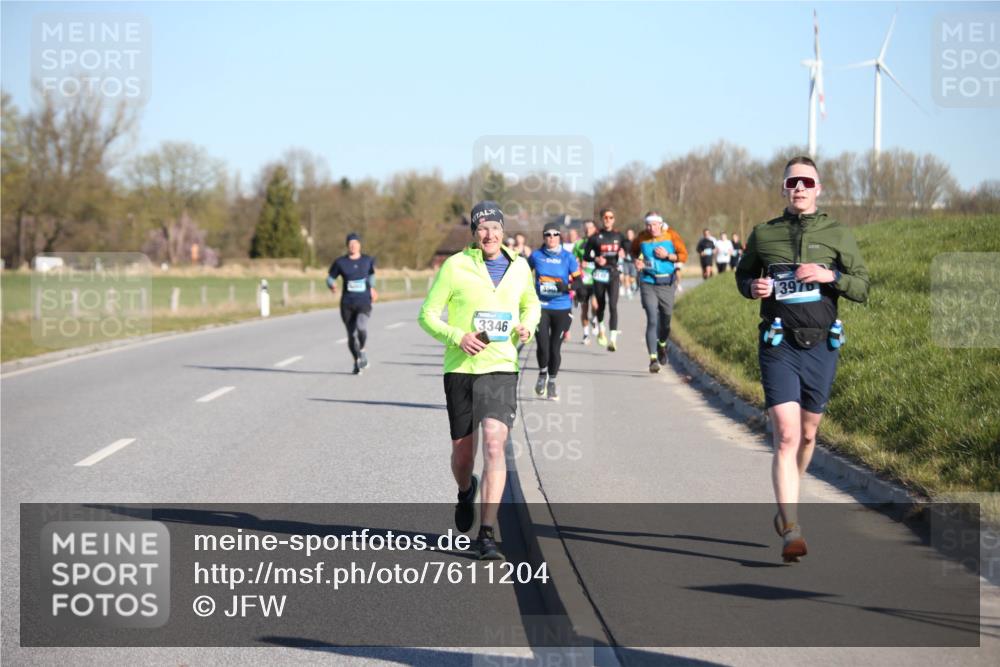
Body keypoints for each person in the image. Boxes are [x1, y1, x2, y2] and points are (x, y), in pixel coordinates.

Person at [735, 156, 869, 563]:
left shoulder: (837, 233)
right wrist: (753, 287)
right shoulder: (764, 234)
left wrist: (831, 277)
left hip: (822, 346)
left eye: (806, 181)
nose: (799, 187)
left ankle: (788, 497)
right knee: (786, 434)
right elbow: (743, 277)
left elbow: (862, 286)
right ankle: (791, 526)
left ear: (818, 187)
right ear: (783, 188)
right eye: (792, 181)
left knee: (809, 435)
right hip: (778, 343)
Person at [418, 201, 541, 561]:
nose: (489, 235)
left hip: (501, 365)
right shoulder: (455, 266)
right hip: (461, 368)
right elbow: (427, 315)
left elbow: (530, 305)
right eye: (482, 229)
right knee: (462, 455)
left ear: (503, 232)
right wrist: (458, 336)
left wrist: (527, 326)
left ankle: (486, 533)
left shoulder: (519, 267)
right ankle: (464, 489)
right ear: (474, 233)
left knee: (493, 444)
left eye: (495, 228)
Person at [528, 222, 581, 401]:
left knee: (554, 347)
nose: (551, 238)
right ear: (543, 237)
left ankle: (552, 382)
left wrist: (569, 287)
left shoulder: (568, 257)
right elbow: (523, 275)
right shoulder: (535, 256)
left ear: (560, 237)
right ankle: (542, 374)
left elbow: (579, 280)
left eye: (555, 234)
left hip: (562, 308)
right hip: (541, 307)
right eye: (548, 234)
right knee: (543, 346)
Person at [632, 212, 687, 373]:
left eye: (655, 224)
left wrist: (668, 256)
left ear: (661, 224)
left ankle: (662, 344)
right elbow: (634, 251)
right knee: (652, 318)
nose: (652, 228)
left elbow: (683, 256)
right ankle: (653, 359)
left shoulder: (671, 235)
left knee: (666, 320)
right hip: (648, 282)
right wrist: (638, 261)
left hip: (667, 283)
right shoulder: (642, 237)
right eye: (648, 225)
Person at [327, 233, 378, 374]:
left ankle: (362, 350)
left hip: (364, 301)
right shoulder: (340, 263)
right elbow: (330, 278)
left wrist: (373, 288)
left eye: (355, 243)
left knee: (361, 327)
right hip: (347, 304)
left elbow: (372, 275)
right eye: (350, 243)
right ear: (347, 246)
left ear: (359, 245)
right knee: (351, 335)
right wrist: (332, 285)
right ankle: (356, 361)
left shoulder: (367, 260)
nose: (353, 246)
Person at [584, 208, 627, 351]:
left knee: (613, 306)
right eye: (605, 217)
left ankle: (613, 340)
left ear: (614, 219)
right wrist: (596, 258)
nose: (608, 219)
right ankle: (601, 329)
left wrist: (624, 252)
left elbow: (630, 248)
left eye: (610, 217)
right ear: (602, 220)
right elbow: (585, 256)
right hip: (599, 275)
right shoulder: (595, 237)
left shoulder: (619, 235)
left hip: (613, 273)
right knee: (600, 306)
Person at [572, 220, 599, 345]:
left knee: (595, 305)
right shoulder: (579, 244)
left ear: (595, 229)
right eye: (586, 228)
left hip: (596, 278)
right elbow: (572, 261)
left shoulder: (599, 241)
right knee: (584, 308)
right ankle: (586, 333)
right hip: (583, 280)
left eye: (590, 228)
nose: (588, 230)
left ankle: (594, 318)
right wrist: (578, 263)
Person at [621, 228, 638, 299]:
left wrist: (639, 259)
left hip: (634, 262)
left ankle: (633, 284)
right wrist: (622, 254)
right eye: (628, 234)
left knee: (632, 278)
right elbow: (620, 249)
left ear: (633, 234)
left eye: (630, 234)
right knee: (626, 276)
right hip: (625, 261)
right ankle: (628, 291)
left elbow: (641, 252)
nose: (629, 235)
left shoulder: (637, 242)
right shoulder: (624, 242)